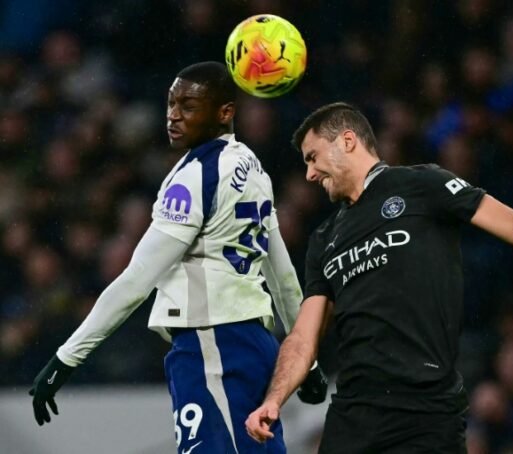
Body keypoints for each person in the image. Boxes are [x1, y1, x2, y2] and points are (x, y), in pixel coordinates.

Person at [245, 102, 513, 453]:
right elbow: (303, 337)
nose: (309, 174)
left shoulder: (422, 185)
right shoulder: (324, 238)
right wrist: (274, 400)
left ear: (347, 141)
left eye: (313, 157)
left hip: (426, 408)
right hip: (354, 413)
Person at [29, 61, 326, 454]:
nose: (173, 115)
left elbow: (138, 278)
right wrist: (306, 358)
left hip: (211, 344)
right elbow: (282, 275)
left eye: (189, 106)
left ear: (225, 112)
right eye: (171, 103)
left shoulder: (195, 177)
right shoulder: (254, 169)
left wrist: (66, 358)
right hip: (254, 344)